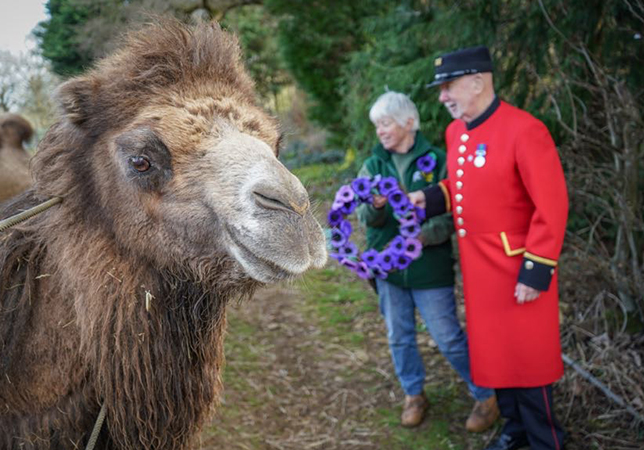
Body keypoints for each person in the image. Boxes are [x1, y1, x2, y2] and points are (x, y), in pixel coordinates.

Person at [409, 46, 568, 450]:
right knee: (498, 362)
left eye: (449, 86)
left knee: (529, 364)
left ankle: (546, 441)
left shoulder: (524, 129)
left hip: (518, 271)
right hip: (481, 273)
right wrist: (424, 200)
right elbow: (463, 190)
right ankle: (514, 433)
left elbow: (552, 205)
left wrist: (537, 270)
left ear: (478, 81)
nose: (442, 96)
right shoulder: (456, 132)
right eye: (441, 88)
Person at [356, 91, 499, 431]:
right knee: (399, 336)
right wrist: (374, 208)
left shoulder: (438, 161)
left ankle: (486, 395)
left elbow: (458, 213)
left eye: (386, 123)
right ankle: (413, 395)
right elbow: (362, 216)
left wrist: (425, 235)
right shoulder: (373, 164)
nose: (381, 131)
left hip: (430, 269)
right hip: (388, 270)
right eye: (377, 125)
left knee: (447, 335)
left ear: (409, 122)